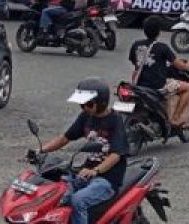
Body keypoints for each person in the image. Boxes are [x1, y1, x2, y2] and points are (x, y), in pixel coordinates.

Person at [33, 78, 129, 224]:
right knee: (56, 192)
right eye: (81, 104)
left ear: (102, 103)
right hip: (84, 173)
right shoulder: (86, 117)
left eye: (89, 104)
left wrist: (96, 171)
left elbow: (115, 155)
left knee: (78, 201)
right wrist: (39, 151)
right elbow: (65, 138)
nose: (84, 108)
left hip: (107, 179)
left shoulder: (115, 121)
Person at [128, 17, 189, 129]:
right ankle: (175, 118)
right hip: (158, 86)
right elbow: (179, 65)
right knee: (188, 87)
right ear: (159, 32)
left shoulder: (136, 45)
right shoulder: (162, 47)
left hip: (138, 84)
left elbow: (136, 64)